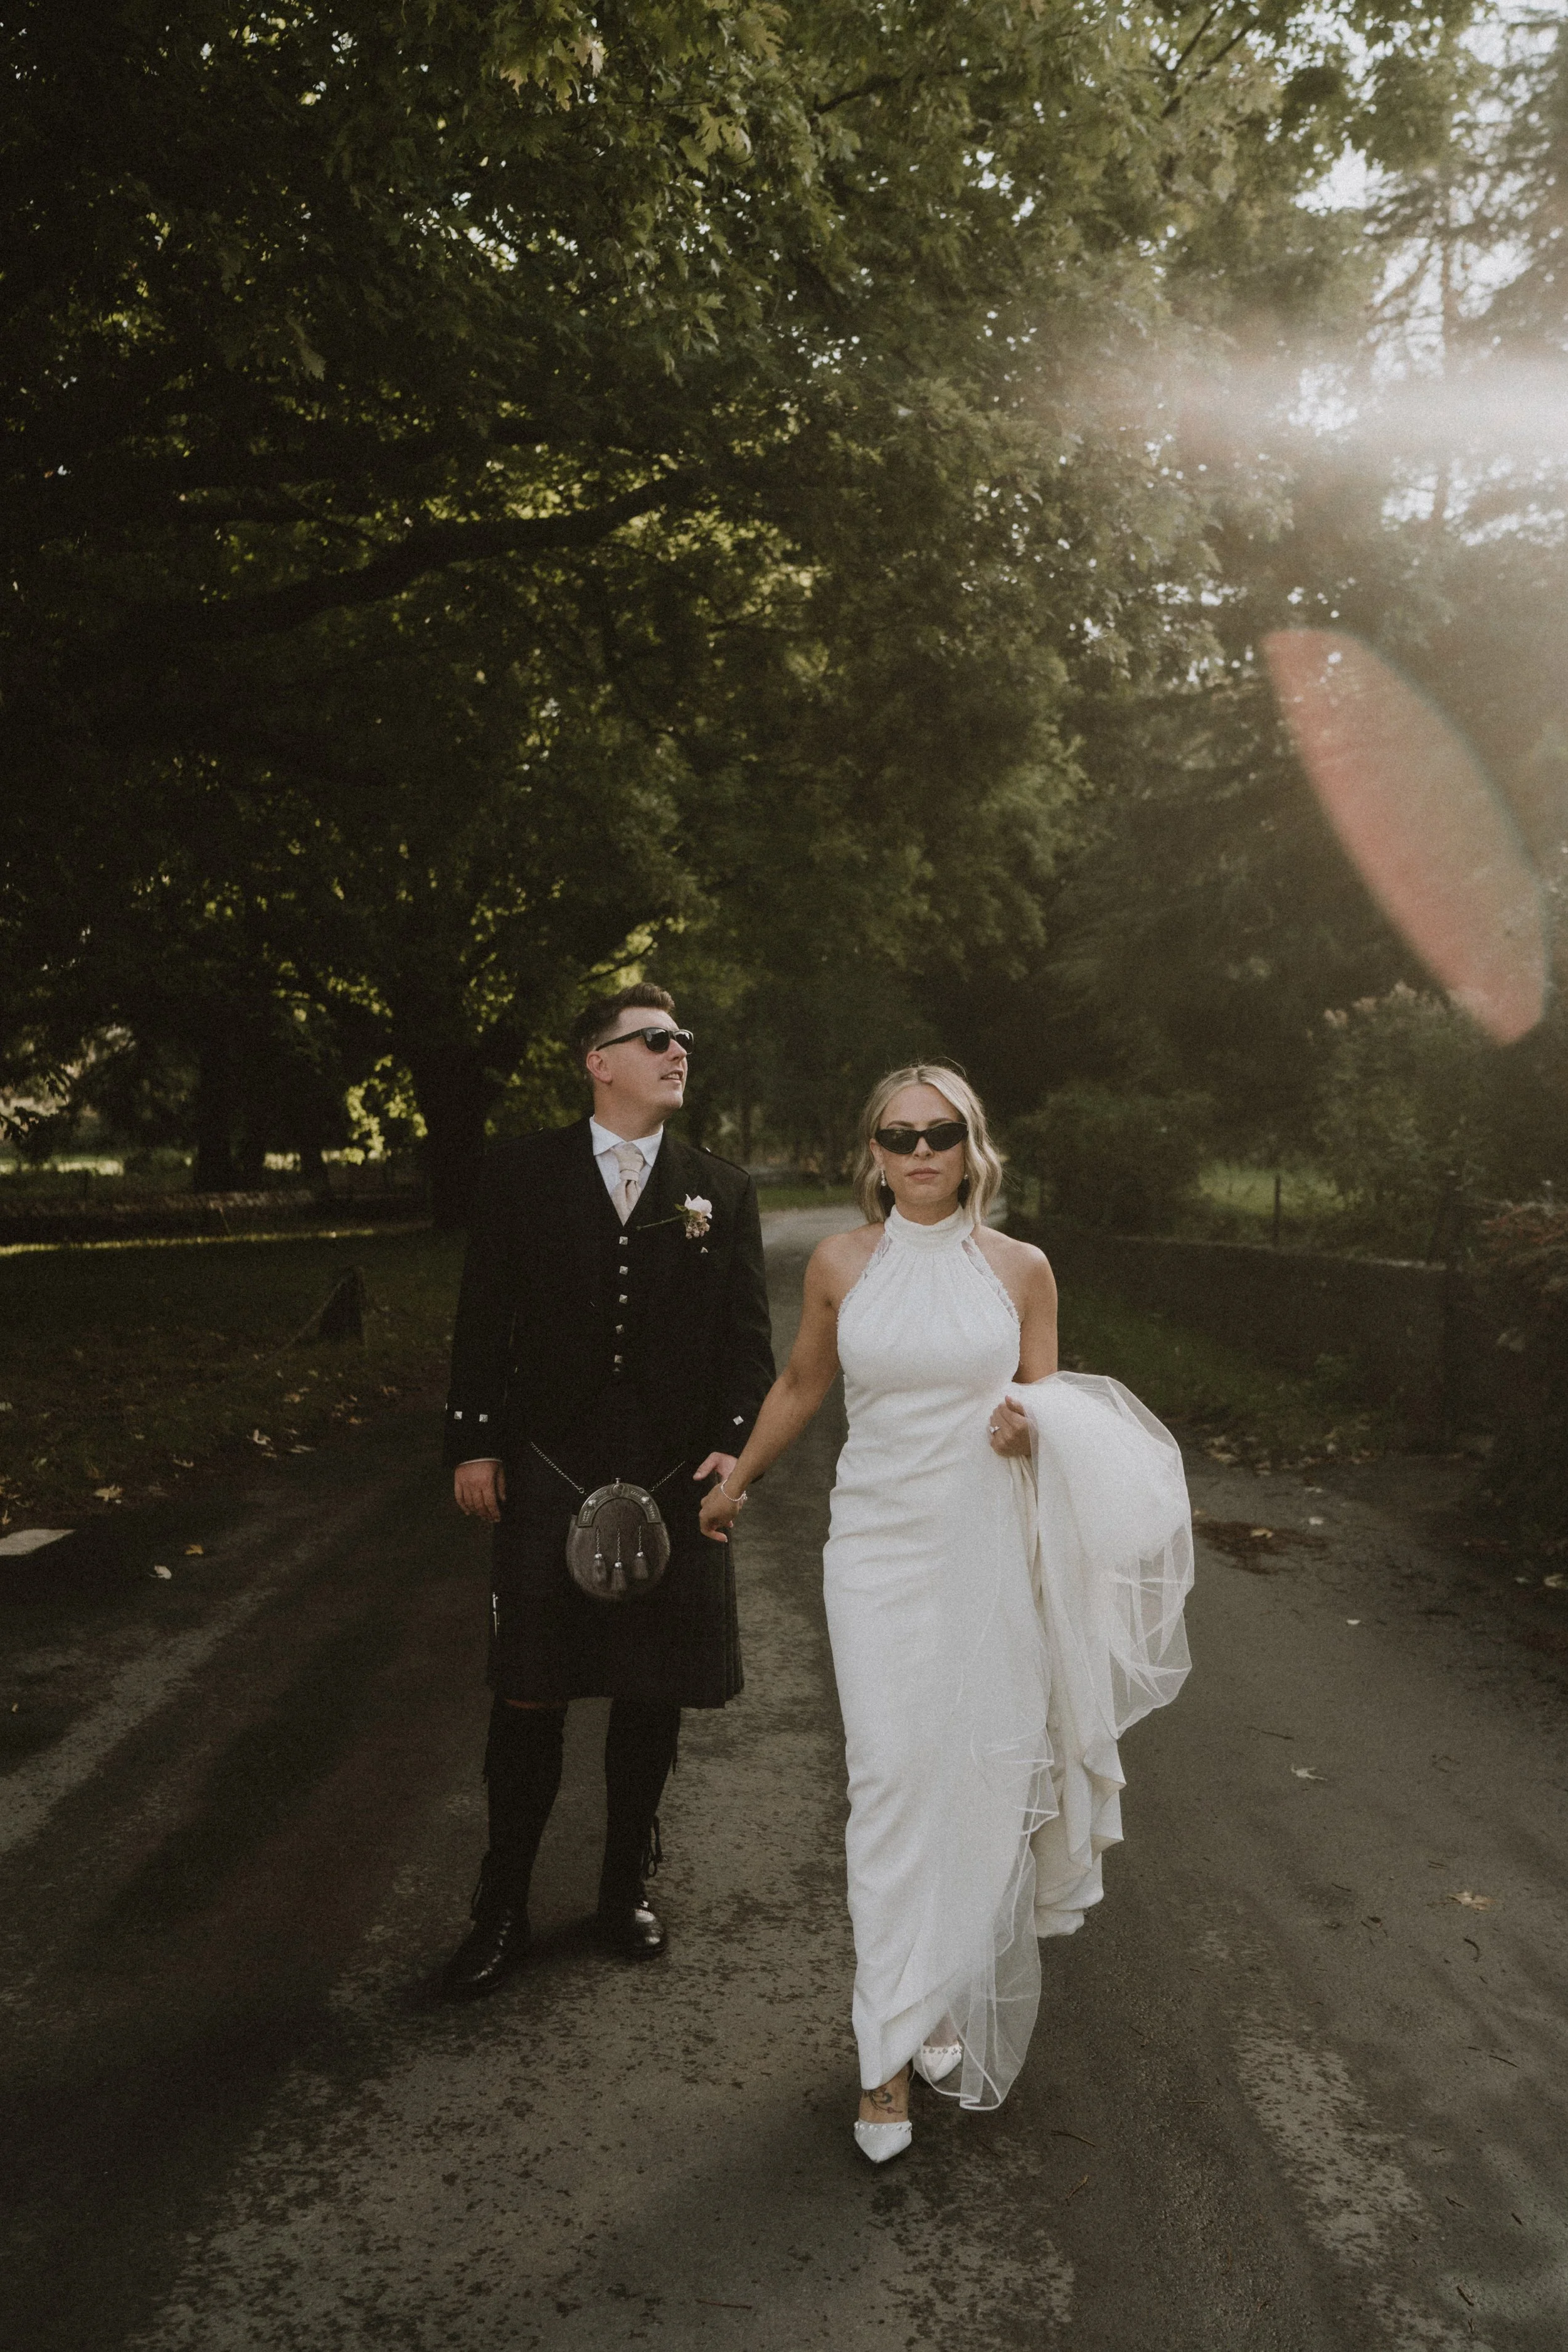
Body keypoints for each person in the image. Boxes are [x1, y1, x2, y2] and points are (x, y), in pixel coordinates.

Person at [700, 1065, 1193, 2161]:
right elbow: (800, 1385)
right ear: (871, 1150)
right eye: (898, 1133)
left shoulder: (1024, 1268)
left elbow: (1046, 1398)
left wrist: (1032, 1428)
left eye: (941, 1133)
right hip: (873, 1549)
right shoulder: (841, 1263)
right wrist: (739, 1481)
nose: (920, 1151)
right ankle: (882, 2059)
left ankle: (931, 2002)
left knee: (976, 1773)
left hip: (986, 1548)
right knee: (886, 1779)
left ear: (973, 1146)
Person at [441, 984, 775, 1998]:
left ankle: (623, 1883)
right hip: (548, 1462)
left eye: (685, 1038)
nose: (681, 1051)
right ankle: (500, 1906)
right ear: (600, 1060)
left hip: (675, 1473)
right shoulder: (519, 1173)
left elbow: (748, 1345)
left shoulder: (722, 1186)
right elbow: (482, 1317)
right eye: (658, 1039)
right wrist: (474, 1444)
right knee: (530, 1689)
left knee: (649, 1690)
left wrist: (733, 1450)